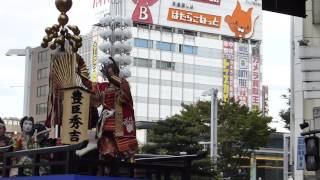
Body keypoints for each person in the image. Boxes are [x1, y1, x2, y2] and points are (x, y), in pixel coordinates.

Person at [78, 57, 138, 174]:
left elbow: (125, 96)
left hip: (122, 123)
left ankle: (131, 174)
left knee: (127, 152)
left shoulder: (123, 83)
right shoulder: (104, 86)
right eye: (106, 70)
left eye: (109, 70)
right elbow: (90, 85)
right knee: (106, 151)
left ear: (115, 71)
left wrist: (112, 74)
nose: (107, 73)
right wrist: (82, 73)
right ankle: (105, 173)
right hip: (107, 123)